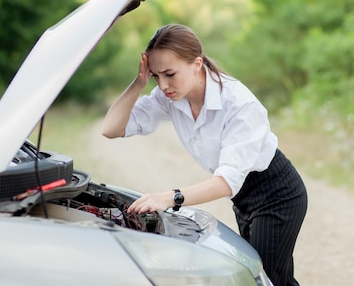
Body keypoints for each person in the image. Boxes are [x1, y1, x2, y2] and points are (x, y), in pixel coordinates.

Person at [101, 24, 307, 286]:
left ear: (197, 64)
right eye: (155, 76)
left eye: (170, 74)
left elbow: (226, 181)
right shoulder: (170, 96)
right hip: (244, 198)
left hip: (277, 195)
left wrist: (170, 197)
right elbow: (111, 128)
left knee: (262, 279)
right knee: (271, 278)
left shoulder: (239, 104)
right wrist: (138, 83)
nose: (163, 85)